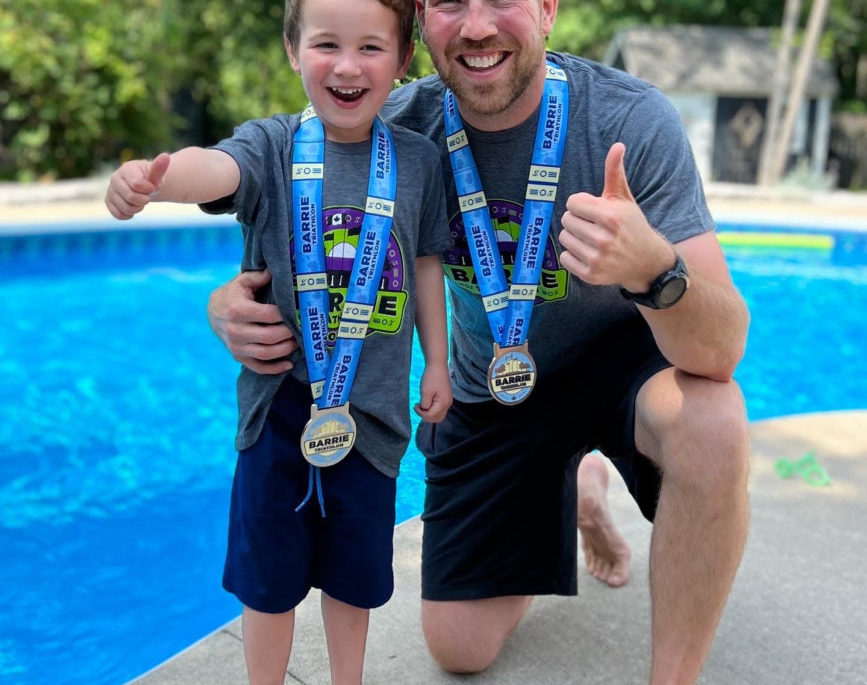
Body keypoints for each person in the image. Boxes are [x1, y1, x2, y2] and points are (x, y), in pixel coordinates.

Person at [205, 0, 752, 683]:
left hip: (624, 370)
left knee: (714, 420)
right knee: (459, 647)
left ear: (547, 10)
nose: (475, 26)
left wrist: (653, 268)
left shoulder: (626, 121)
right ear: (418, 25)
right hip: (490, 385)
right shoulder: (394, 131)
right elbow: (294, 225)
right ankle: (577, 492)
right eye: (449, 3)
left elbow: (722, 346)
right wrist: (225, 302)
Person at [105, 0, 454, 683]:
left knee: (355, 578)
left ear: (403, 59)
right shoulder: (272, 146)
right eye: (326, 44)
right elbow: (215, 169)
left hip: (373, 417)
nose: (347, 66)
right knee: (267, 579)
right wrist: (155, 178)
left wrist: (436, 362)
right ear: (293, 50)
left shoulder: (416, 161)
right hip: (277, 410)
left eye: (371, 48)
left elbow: (425, 261)